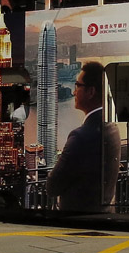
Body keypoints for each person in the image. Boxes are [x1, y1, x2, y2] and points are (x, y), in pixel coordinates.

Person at [46, 62, 121, 214]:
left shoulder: (80, 137)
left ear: (91, 91)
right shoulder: (113, 129)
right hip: (104, 214)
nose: (74, 93)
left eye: (77, 86)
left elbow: (52, 186)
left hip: (77, 219)